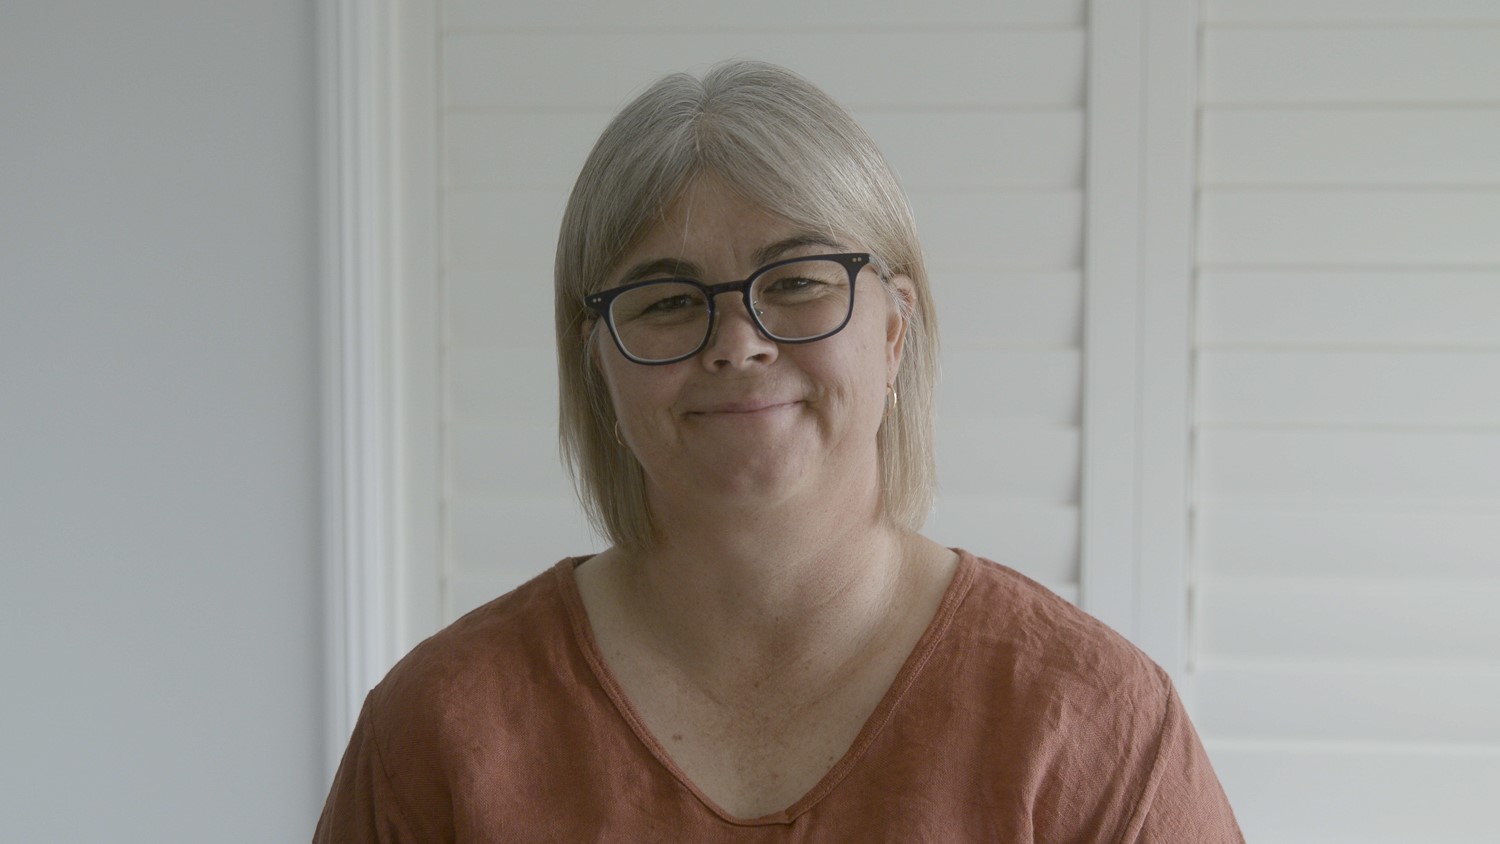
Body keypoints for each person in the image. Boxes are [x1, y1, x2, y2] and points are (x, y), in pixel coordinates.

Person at [314, 60, 1244, 842]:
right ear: (596, 360)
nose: (738, 342)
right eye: (667, 300)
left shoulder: (1090, 722)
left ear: (893, 332)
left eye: (796, 282)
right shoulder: (439, 728)